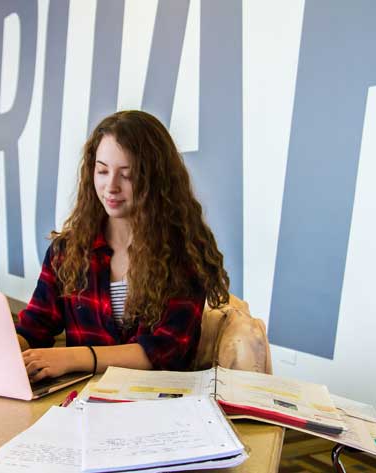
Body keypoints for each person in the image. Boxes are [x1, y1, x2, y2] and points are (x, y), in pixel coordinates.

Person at [17, 110, 230, 382]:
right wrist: (6, 346)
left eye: (127, 175)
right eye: (102, 171)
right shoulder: (67, 251)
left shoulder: (184, 253)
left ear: (156, 180)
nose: (111, 187)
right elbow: (34, 327)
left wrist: (72, 357)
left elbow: (166, 350)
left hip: (158, 405)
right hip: (80, 406)